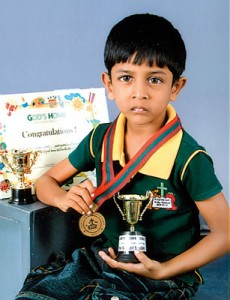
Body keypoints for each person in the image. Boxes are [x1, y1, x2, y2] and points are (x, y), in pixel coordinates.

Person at [16, 13, 229, 300]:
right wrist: (62, 197)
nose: (139, 93)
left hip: (161, 272)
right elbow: (46, 181)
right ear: (109, 84)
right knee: (35, 294)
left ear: (175, 87)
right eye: (126, 78)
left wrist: (164, 270)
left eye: (154, 79)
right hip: (100, 260)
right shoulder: (99, 138)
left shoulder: (189, 157)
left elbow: (224, 233)